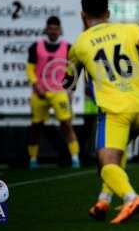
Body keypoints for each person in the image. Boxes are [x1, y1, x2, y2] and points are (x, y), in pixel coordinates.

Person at [66, 0, 139, 224]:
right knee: (117, 153)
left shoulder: (80, 44)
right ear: (108, 13)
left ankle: (130, 198)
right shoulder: (129, 29)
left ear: (83, 15)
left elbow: (68, 82)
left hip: (116, 111)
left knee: (105, 163)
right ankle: (103, 201)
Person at [26, 16, 81, 169]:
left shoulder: (68, 47)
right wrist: (36, 85)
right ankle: (32, 159)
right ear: (46, 29)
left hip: (59, 93)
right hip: (40, 92)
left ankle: (75, 158)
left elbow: (72, 71)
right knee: (36, 126)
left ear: (60, 30)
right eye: (50, 28)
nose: (53, 31)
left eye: (56, 28)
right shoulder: (35, 47)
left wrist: (70, 91)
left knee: (66, 125)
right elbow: (30, 69)